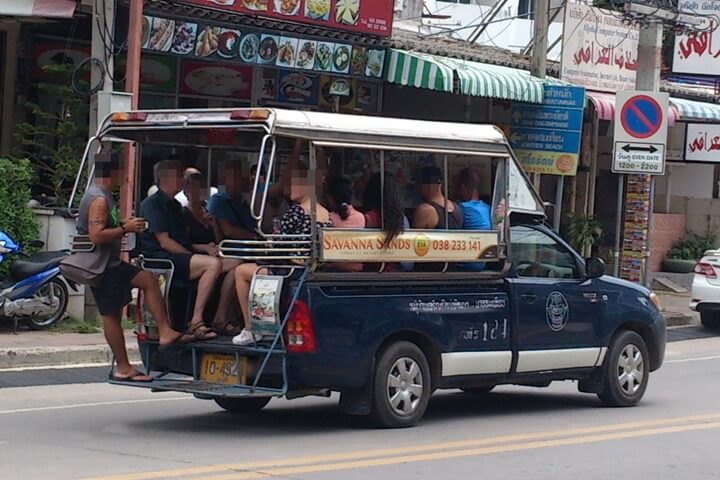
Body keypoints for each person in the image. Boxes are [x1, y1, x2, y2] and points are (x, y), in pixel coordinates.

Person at [78, 154, 193, 382]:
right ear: (112, 173)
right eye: (122, 172)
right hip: (103, 265)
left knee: (147, 280)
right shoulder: (98, 199)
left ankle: (165, 331)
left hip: (111, 262)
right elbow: (96, 235)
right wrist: (126, 228)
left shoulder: (103, 196)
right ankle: (123, 367)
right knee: (111, 315)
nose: (125, 178)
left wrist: (123, 226)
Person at [232, 158, 332, 346]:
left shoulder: (296, 212)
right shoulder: (325, 213)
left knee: (241, 271)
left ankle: (250, 328)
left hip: (290, 269)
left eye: (293, 183)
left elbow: (278, 245)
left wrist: (267, 244)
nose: (289, 188)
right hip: (310, 268)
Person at [139, 159, 222, 340]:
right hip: (163, 260)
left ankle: (220, 318)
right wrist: (192, 256)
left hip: (178, 255)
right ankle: (196, 321)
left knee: (228, 265)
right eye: (179, 176)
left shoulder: (175, 206)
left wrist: (204, 248)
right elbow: (165, 242)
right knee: (212, 265)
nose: (183, 181)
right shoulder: (152, 205)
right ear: (167, 178)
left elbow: (183, 240)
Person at [182, 171, 244, 336]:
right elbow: (184, 243)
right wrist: (204, 247)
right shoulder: (184, 214)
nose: (199, 192)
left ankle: (221, 317)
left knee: (237, 267)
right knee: (222, 264)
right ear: (187, 191)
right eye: (195, 189)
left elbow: (218, 240)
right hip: (193, 258)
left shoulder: (206, 212)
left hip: (213, 255)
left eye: (202, 189)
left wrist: (213, 226)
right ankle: (197, 320)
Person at [362, 173, 411, 272]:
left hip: (371, 273)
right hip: (397, 273)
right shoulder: (402, 219)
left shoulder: (368, 218)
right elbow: (407, 262)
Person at [207, 161, 257, 240]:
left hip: (251, 247)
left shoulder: (243, 202)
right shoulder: (218, 200)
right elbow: (228, 230)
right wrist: (254, 237)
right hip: (230, 249)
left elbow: (252, 226)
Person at [455, 167, 492, 271]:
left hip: (463, 267)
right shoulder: (487, 208)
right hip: (481, 265)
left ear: (463, 187)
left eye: (456, 188)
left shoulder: (462, 208)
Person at [325, 176, 365, 272]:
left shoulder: (328, 217)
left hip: (333, 269)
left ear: (330, 198)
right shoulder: (361, 217)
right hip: (357, 269)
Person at [412, 166, 464, 230]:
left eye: (418, 183)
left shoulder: (425, 210)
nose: (417, 189)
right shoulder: (457, 208)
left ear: (426, 185)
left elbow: (414, 238)